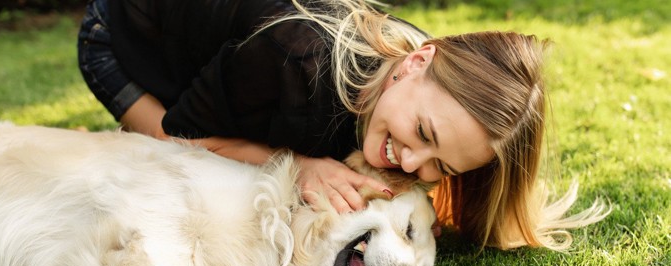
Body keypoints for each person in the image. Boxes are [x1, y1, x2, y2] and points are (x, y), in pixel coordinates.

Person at [77, 0, 608, 251]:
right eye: (424, 134)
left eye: (440, 166)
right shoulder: (295, 58)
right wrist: (296, 165)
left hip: (221, 64)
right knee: (162, 158)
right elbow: (182, 139)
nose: (413, 164)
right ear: (416, 61)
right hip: (123, 41)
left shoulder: (414, 86)